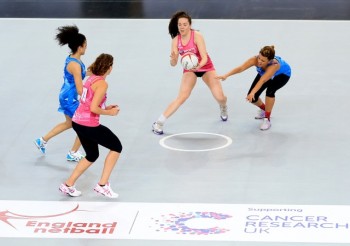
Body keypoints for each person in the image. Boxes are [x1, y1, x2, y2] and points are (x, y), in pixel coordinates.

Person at [152, 11, 228, 135]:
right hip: (189, 70)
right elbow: (173, 64)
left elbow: (204, 57)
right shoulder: (176, 40)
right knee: (182, 97)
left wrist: (198, 66)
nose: (182, 27)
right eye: (180, 24)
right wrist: (173, 58)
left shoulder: (197, 36)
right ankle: (158, 123)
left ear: (190, 25)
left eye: (185, 24)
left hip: (205, 67)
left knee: (220, 97)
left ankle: (223, 107)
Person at [59, 53, 122, 198]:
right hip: (88, 124)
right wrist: (110, 113)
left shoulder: (91, 79)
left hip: (77, 122)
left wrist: (105, 107)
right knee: (116, 146)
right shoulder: (102, 84)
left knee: (92, 154)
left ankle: (68, 184)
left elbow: (88, 101)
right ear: (110, 68)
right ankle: (102, 185)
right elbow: (93, 108)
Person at [34, 25, 87, 161]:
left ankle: (42, 140)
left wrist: (94, 71)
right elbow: (80, 89)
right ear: (80, 47)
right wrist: (92, 96)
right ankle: (72, 153)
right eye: (85, 45)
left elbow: (80, 75)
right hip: (70, 99)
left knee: (69, 123)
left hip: (65, 96)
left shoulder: (73, 59)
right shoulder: (75, 65)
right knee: (85, 125)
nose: (86, 47)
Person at [216, 45, 291, 130]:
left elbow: (262, 80)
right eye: (259, 58)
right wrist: (226, 75)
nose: (259, 61)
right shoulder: (255, 60)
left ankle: (267, 119)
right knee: (253, 99)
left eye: (263, 60)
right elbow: (241, 68)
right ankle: (265, 110)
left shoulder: (274, 66)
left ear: (269, 60)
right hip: (265, 74)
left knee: (270, 92)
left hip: (282, 75)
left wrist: (252, 92)